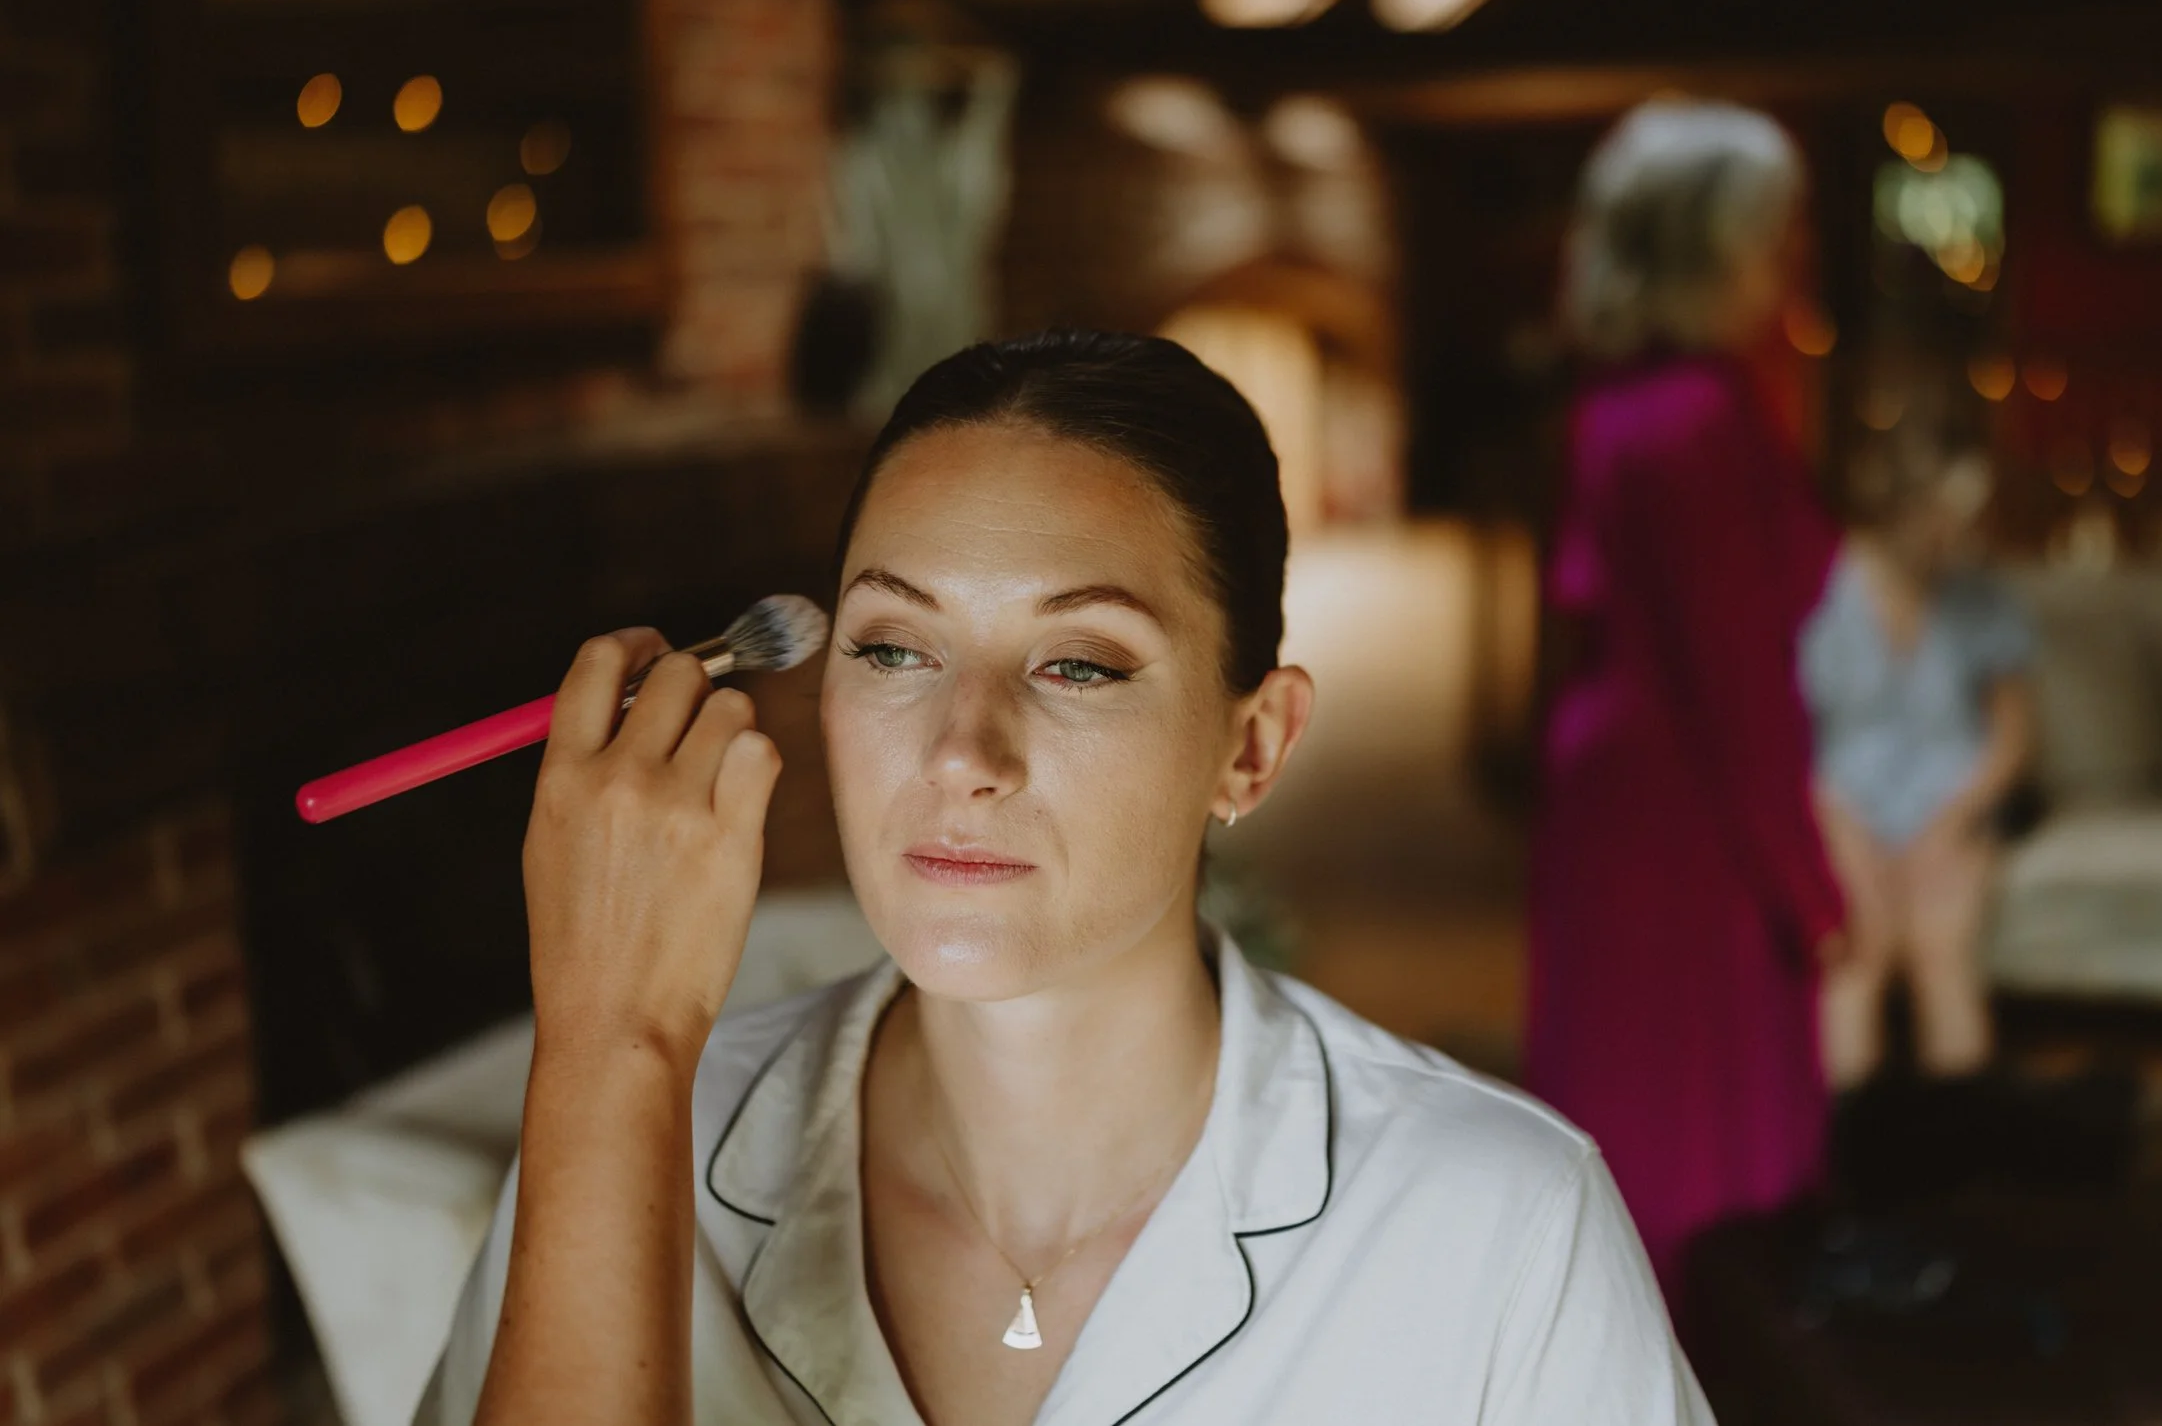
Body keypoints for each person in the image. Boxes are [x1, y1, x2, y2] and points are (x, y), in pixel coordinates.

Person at [422, 331, 1713, 1426]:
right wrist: (609, 1048)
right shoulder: (629, 1120)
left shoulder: (1496, 1229)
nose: (961, 752)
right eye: (894, 647)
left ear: (1251, 745)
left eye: (1078, 663)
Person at [1528, 102, 1847, 1310]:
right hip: (1688, 820)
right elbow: (1737, 682)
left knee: (1627, 1115)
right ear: (1708, 248)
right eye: (1772, 235)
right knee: (1699, 1133)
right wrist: (1806, 883)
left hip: (1620, 798)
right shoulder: (1703, 418)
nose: (1790, 261)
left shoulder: (1620, 402)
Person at [1803, 437, 2034, 1091]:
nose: (1964, 531)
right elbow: (1789, 741)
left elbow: (2014, 738)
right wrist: (1843, 833)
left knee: (1941, 947)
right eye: (1949, 514)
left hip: (1953, 805)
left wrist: (1949, 825)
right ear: (1902, 510)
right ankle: (1851, 1138)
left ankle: (1956, 1138)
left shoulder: (1983, 595)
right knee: (1858, 949)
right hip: (1844, 807)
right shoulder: (1820, 591)